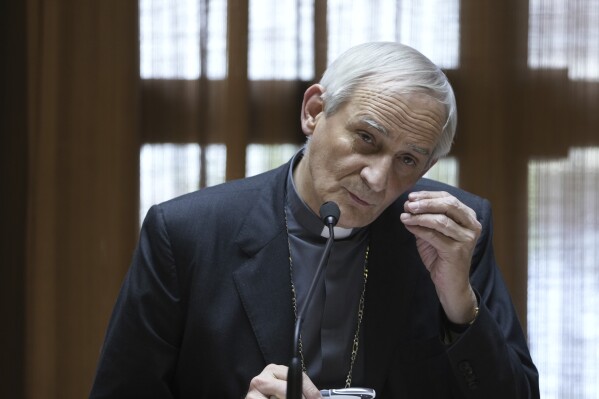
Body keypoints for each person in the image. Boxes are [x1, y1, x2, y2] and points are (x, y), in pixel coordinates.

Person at [89, 42, 539, 398]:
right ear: (314, 112)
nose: (378, 178)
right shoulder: (187, 232)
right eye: (366, 138)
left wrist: (459, 302)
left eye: (407, 160)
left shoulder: (453, 231)